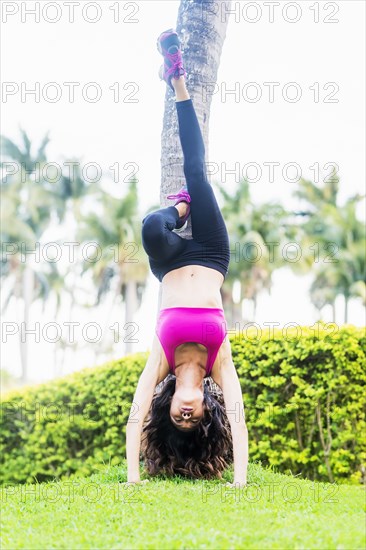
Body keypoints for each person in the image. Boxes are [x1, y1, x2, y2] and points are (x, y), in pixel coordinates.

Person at [126, 29, 248, 486]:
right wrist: (239, 482)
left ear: (171, 404)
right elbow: (239, 421)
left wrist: (134, 479)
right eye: (192, 420)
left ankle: (179, 207)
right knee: (198, 171)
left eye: (177, 419)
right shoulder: (220, 361)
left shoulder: (159, 361)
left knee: (151, 227)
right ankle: (176, 77)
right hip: (214, 255)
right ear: (203, 409)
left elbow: (136, 416)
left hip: (171, 260)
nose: (184, 414)